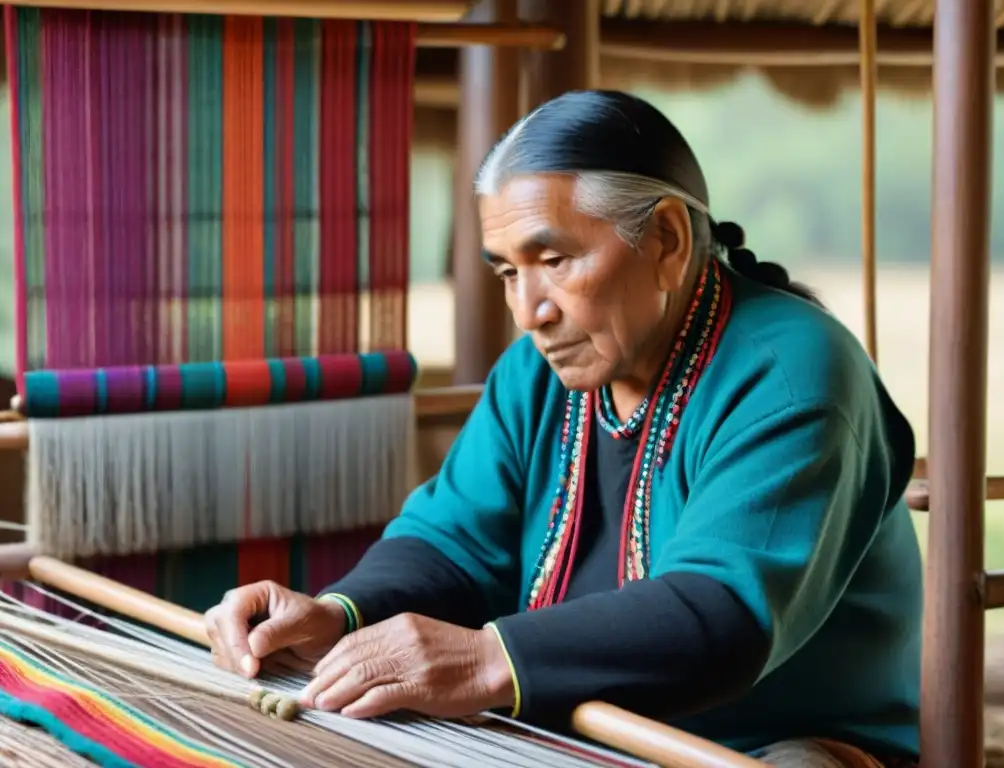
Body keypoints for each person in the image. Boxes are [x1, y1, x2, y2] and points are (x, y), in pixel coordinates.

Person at [205, 90, 923, 768]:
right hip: (572, 723)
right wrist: (336, 615)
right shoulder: (536, 373)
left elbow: (723, 613)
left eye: (554, 260)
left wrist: (486, 659)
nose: (530, 310)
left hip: (771, 741)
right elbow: (451, 540)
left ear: (668, 240)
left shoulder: (793, 373)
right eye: (507, 273)